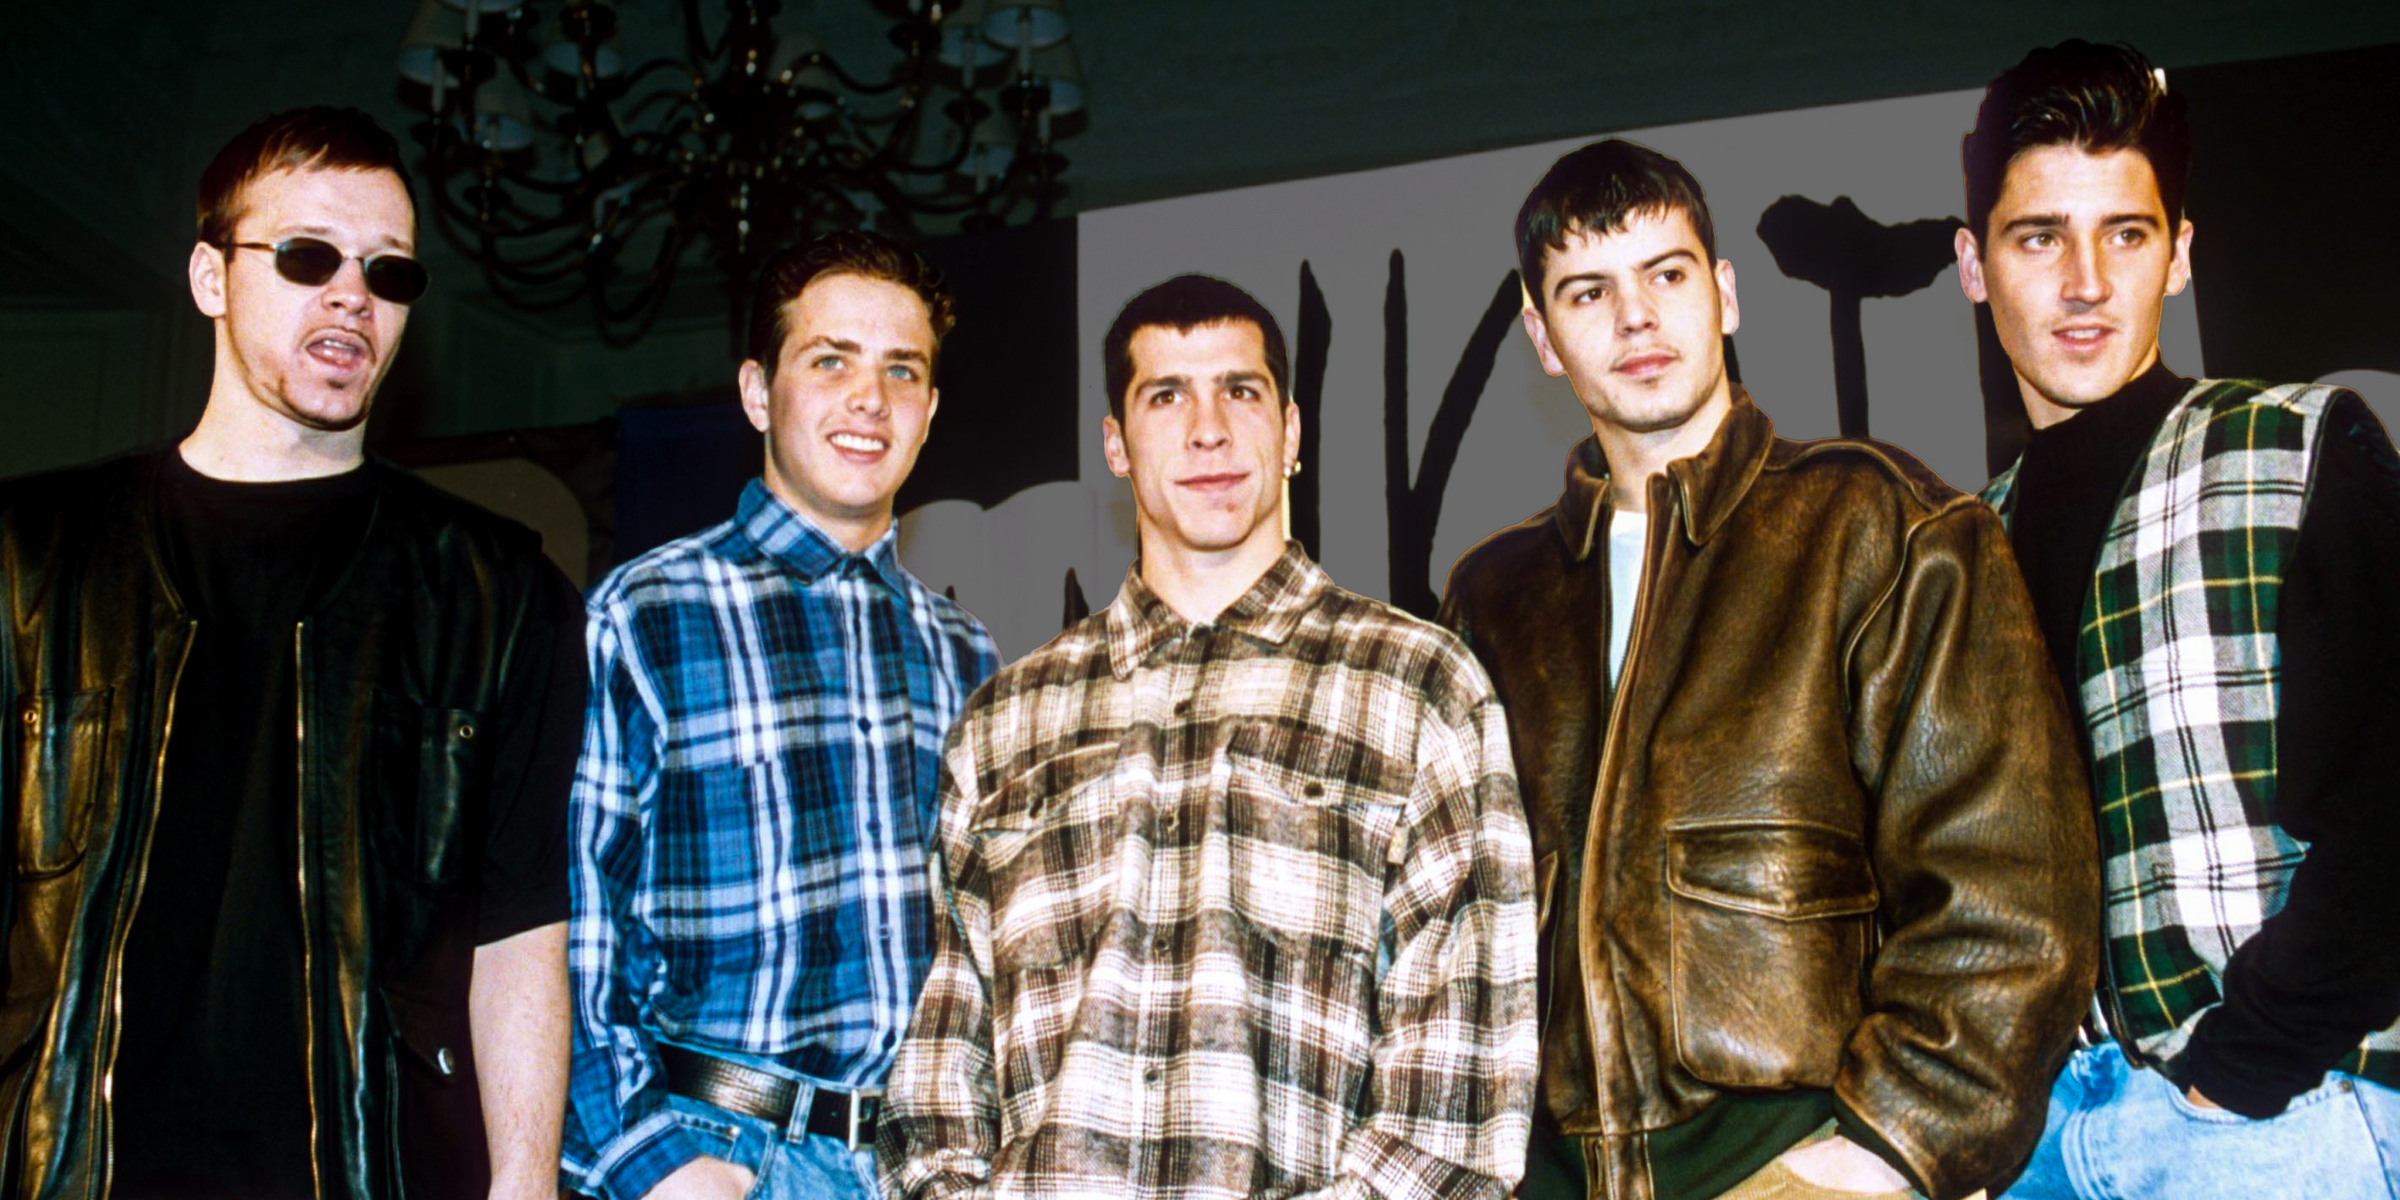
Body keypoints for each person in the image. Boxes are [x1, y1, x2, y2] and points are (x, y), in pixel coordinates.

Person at [1440, 138, 2098, 1200]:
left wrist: (1876, 1155)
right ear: (1542, 337)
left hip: (1807, 1161)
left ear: (1726, 295)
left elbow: (2010, 894)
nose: (1636, 317)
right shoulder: (1491, 598)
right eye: (1587, 291)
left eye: (1667, 274)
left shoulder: (1880, 522)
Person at [0, 106, 580, 1199]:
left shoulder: (499, 590)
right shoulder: (30, 560)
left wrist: (525, 1186)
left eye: (389, 271)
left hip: (379, 1168)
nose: (352, 294)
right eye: (308, 256)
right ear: (211, 278)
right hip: (66, 1164)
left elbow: (519, 936)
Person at [876, 274, 1538, 1199]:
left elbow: (1457, 1110)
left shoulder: (1419, 686)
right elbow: (935, 1082)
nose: (1208, 429)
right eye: (1165, 396)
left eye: (1240, 390)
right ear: (1115, 443)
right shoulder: (1004, 723)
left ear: (1292, 431)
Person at [1953, 40, 2400, 1197]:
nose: (2086, 279)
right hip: (2044, 1141)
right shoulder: (1957, 548)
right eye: (2039, 235)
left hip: (2279, 1118)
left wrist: (2245, 1064)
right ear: (1973, 263)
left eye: (2128, 232)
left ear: (2182, 254)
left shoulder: (2301, 443)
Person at [564, 230, 1001, 1200]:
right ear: (759, 392)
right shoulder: (645, 617)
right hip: (714, 1156)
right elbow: (565, 942)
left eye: (901, 371)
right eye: (830, 361)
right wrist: (652, 1171)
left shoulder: (969, 658)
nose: (868, 400)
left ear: (928, 412)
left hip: (919, 1166)